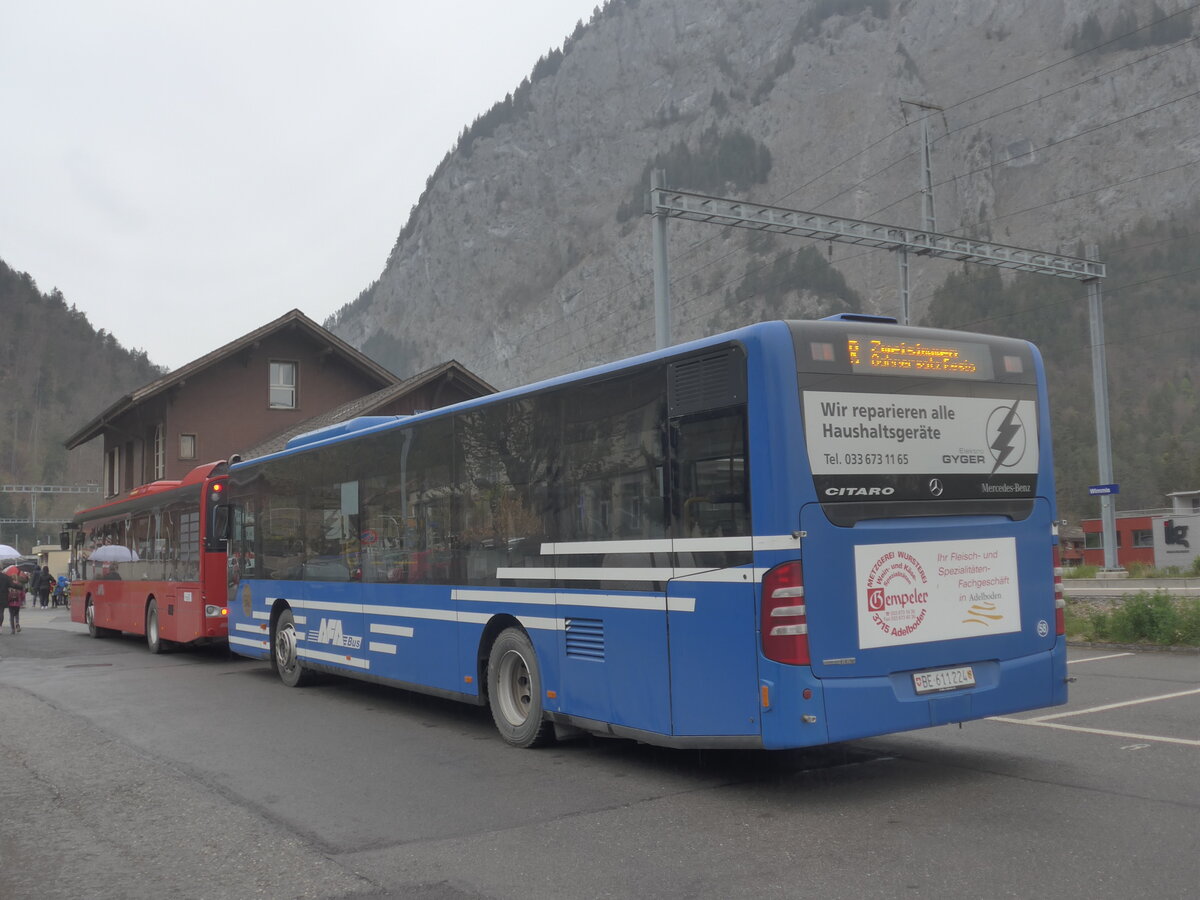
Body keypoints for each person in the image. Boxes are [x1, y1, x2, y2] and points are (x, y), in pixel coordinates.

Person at [0, 567, 12, 633]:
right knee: (1, 612)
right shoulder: (5, 577)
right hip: (3, 597)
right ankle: (0, 627)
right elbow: (10, 585)